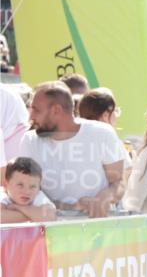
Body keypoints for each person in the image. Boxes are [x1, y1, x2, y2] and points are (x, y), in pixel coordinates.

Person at [19, 81, 125, 217]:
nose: (31, 117)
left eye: (36, 110)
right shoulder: (29, 140)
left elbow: (119, 181)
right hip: (52, 232)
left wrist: (105, 197)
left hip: (101, 230)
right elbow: (25, 193)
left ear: (56, 110)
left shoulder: (103, 133)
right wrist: (70, 207)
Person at [1, 157, 56, 223]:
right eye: (20, 185)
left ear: (39, 188)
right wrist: (33, 215)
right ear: (6, 185)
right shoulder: (3, 196)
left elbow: (50, 216)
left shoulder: (37, 195)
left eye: (33, 186)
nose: (27, 192)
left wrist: (18, 207)